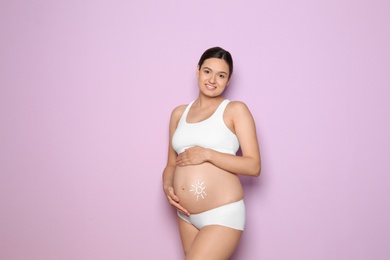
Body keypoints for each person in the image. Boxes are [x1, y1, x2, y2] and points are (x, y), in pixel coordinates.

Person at [162, 46, 261, 259]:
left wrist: (208, 154)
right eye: (207, 71)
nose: (212, 80)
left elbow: (254, 166)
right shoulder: (179, 113)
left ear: (229, 80)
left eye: (221, 75)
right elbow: (171, 163)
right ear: (197, 70)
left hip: (222, 213)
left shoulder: (235, 110)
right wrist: (167, 185)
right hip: (185, 215)